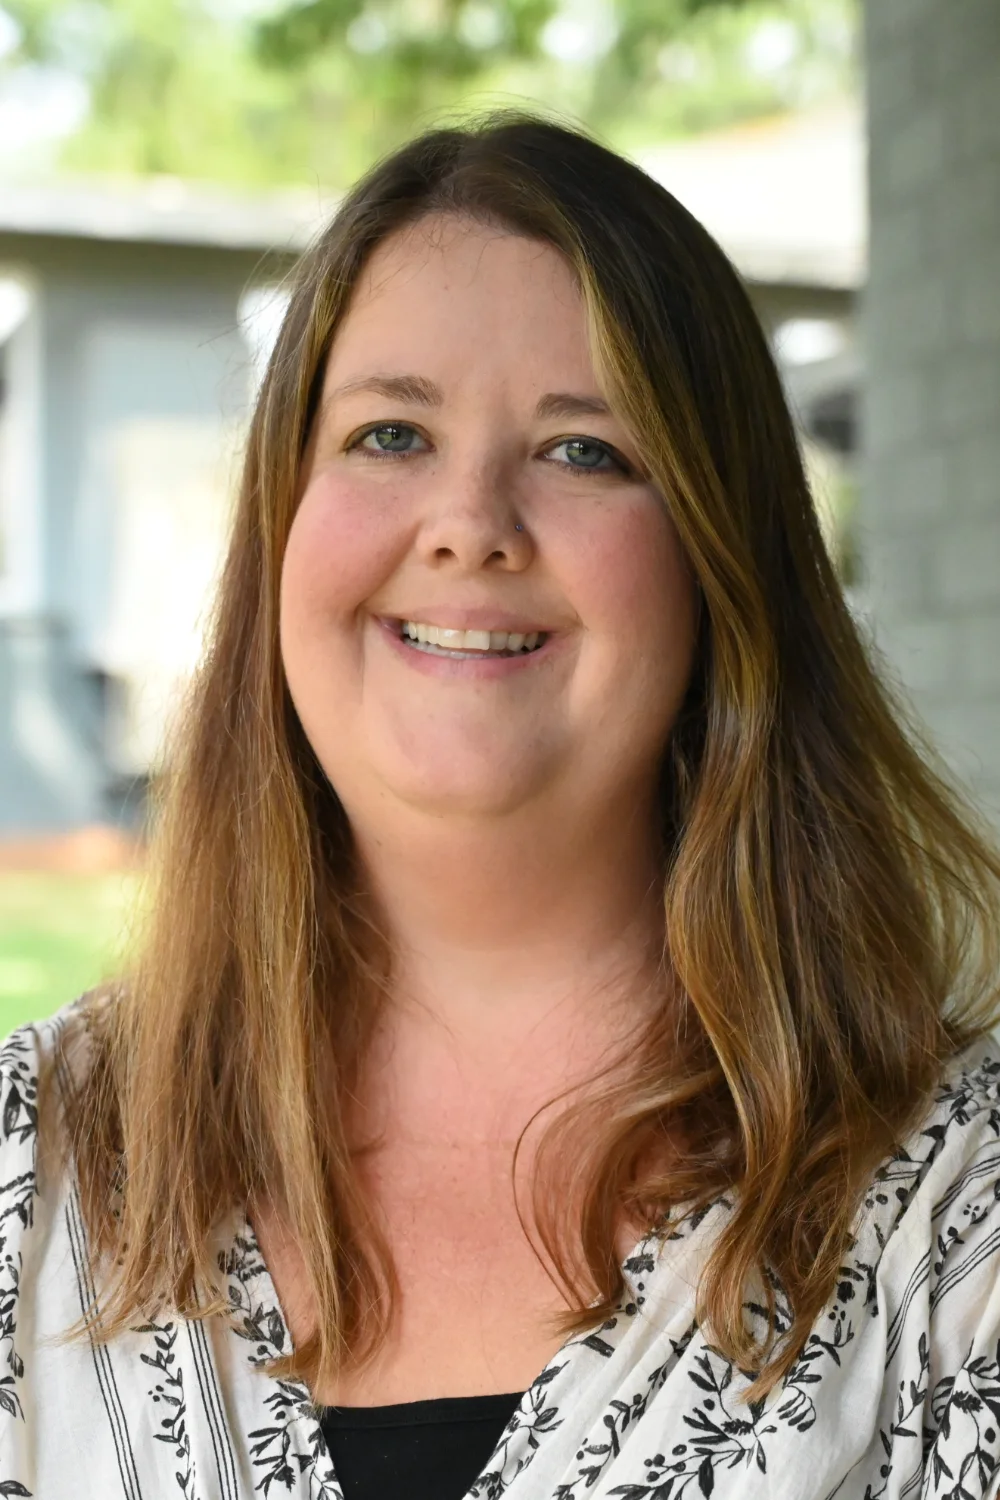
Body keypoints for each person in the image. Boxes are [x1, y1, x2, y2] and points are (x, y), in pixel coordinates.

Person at [2, 107, 1000, 1500]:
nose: (470, 520)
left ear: (724, 568)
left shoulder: (957, 1226)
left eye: (585, 450)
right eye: (391, 432)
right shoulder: (34, 1171)